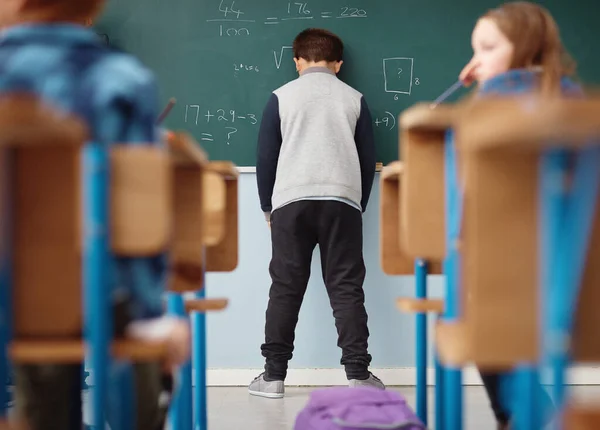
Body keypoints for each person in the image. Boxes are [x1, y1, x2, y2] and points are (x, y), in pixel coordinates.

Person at [0, 0, 190, 429]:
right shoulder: (122, 78)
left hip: (12, 288)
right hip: (99, 290)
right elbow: (140, 218)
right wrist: (150, 315)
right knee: (114, 315)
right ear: (93, 7)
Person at [457, 2, 580, 428]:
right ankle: (539, 413)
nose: (477, 61)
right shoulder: (573, 97)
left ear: (525, 48)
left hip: (515, 276)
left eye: (487, 48)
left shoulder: (493, 100)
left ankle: (511, 417)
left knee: (481, 323)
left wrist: (484, 90)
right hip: (578, 276)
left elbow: (467, 193)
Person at [250, 28, 382, 399]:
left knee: (286, 288)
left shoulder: (280, 97)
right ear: (338, 64)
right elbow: (367, 159)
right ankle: (358, 375)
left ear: (297, 62)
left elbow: (265, 157)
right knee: (346, 287)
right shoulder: (355, 98)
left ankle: (273, 377)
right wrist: (360, 203)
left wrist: (267, 206)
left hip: (291, 201)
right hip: (343, 200)